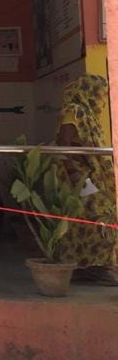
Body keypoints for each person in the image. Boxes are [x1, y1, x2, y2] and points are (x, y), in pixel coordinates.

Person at [52, 75, 117, 284]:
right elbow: (63, 143)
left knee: (84, 223)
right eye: (99, 94)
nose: (101, 99)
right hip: (80, 177)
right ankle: (97, 267)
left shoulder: (87, 113)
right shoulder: (75, 111)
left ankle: (85, 267)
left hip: (89, 175)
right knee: (102, 216)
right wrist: (75, 174)